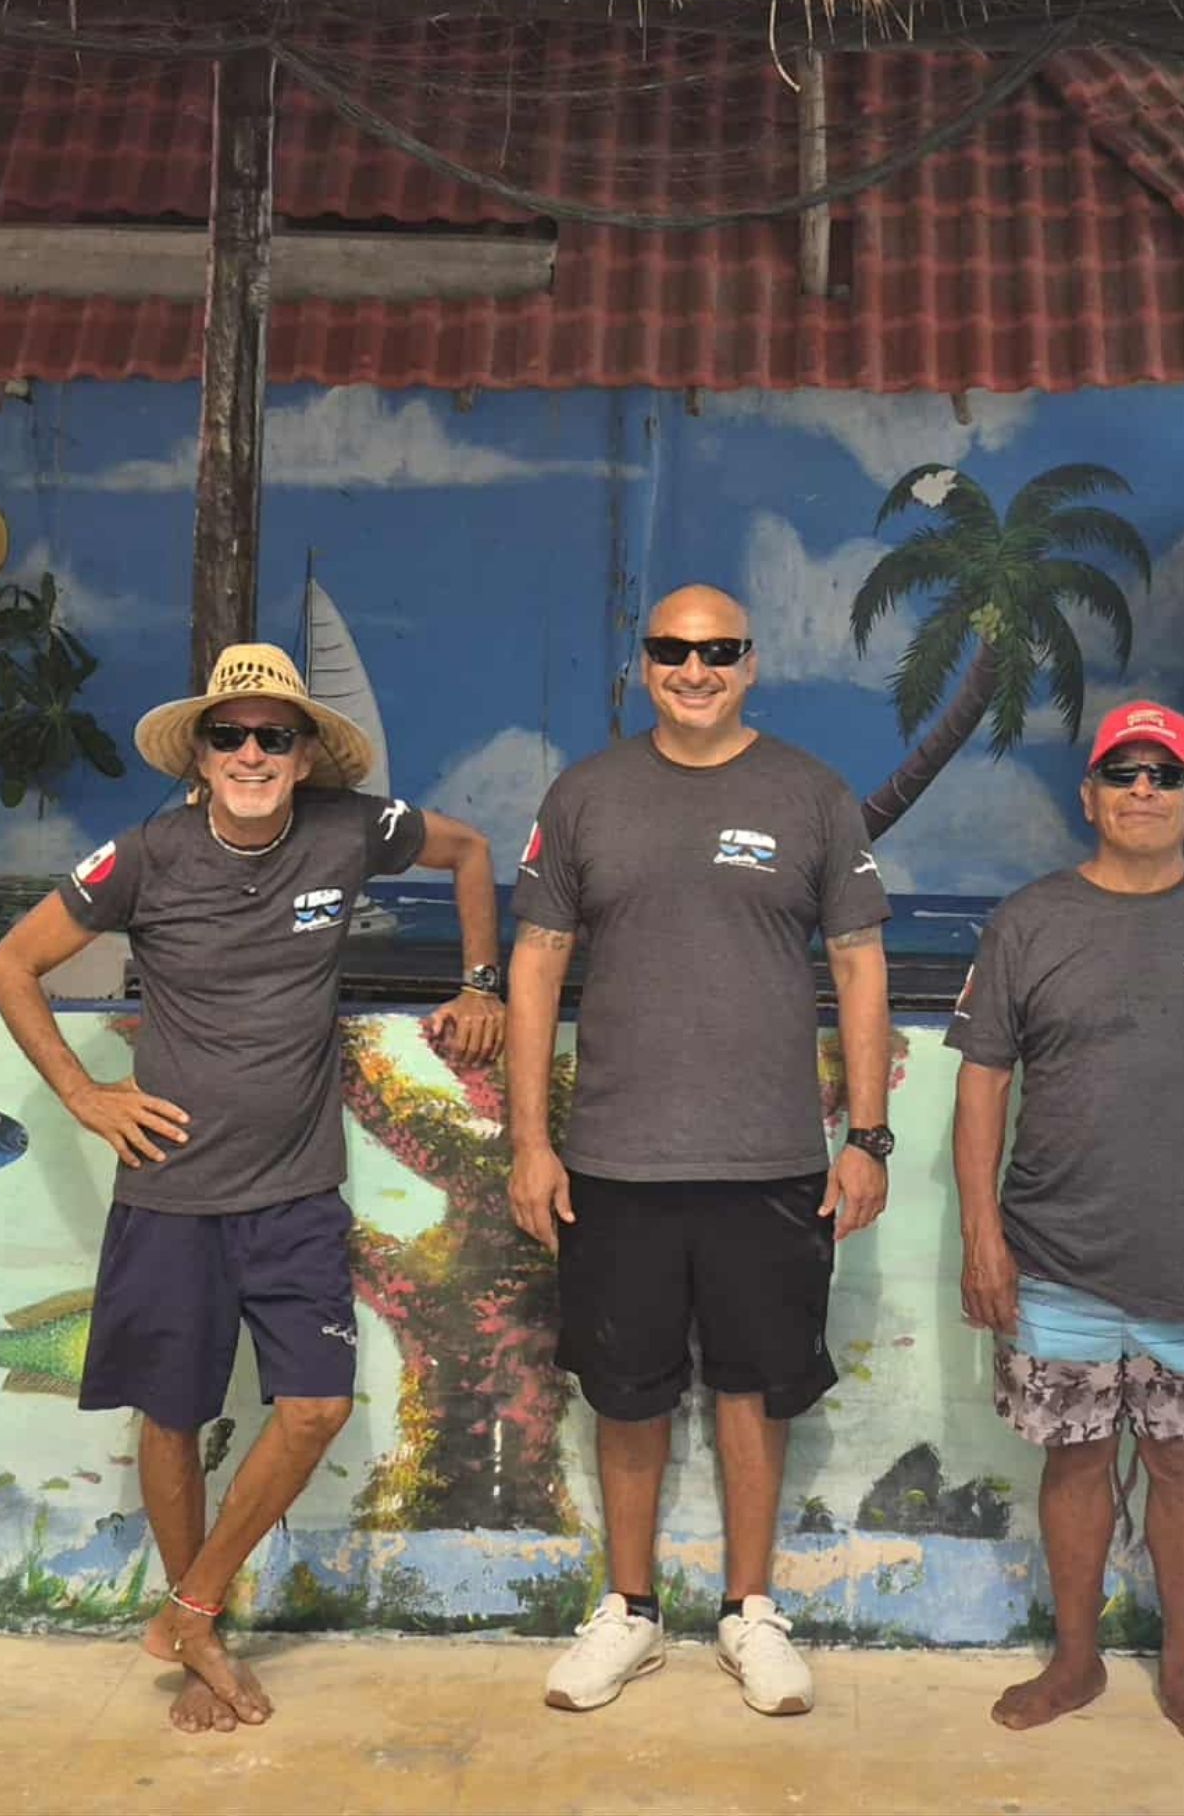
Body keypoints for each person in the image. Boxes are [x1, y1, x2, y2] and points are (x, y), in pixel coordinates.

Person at [0, 643, 506, 1736]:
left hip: (297, 1191)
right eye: (231, 734)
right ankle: (200, 1641)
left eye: (276, 734)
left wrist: (479, 979)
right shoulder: (142, 855)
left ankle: (189, 1608)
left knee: (312, 1406)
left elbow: (471, 850)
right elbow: (8, 965)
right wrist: (85, 1095)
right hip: (170, 1194)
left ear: (308, 753)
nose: (253, 752)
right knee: (171, 1416)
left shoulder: (352, 828)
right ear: (203, 753)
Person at [507, 585, 892, 1717]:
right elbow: (534, 965)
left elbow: (860, 967)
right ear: (642, 663)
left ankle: (751, 1610)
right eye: (673, 650)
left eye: (716, 650)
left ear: (750, 663)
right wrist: (531, 1140)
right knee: (623, 1394)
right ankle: (628, 1611)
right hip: (614, 1158)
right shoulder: (585, 795)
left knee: (752, 1390)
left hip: (769, 1158)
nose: (694, 668)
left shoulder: (812, 795)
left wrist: (865, 1133)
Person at [950, 700, 1184, 1750]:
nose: (1144, 791)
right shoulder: (1028, 920)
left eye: (1166, 774)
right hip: (1054, 1260)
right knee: (1071, 1460)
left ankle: (1181, 1667)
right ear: (1090, 797)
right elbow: (981, 1084)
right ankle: (1072, 1661)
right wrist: (982, 1233)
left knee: (1178, 1461)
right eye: (1123, 773)